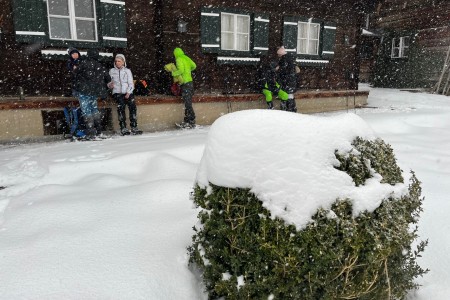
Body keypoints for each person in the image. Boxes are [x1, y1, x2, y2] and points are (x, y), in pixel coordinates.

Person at [73, 49, 111, 139]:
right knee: (94, 110)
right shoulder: (99, 65)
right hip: (94, 92)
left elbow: (75, 74)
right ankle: (99, 131)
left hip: (84, 91)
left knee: (86, 111)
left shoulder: (83, 63)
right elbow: (107, 77)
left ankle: (91, 132)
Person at [108, 54, 142, 135]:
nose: (117, 63)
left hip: (128, 92)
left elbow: (131, 83)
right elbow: (108, 83)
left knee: (132, 107)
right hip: (117, 93)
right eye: (116, 61)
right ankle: (123, 128)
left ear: (123, 62)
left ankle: (134, 127)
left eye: (119, 61)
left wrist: (128, 92)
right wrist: (110, 85)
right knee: (121, 108)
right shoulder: (111, 71)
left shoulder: (127, 71)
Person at [171, 47, 197, 128]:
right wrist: (188, 71)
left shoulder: (178, 59)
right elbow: (194, 66)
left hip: (185, 83)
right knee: (187, 102)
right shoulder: (186, 57)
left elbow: (181, 70)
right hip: (190, 82)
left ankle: (191, 120)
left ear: (175, 54)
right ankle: (187, 121)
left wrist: (174, 73)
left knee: (187, 103)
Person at [276, 46, 298, 112]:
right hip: (291, 80)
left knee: (288, 95)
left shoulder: (284, 60)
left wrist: (278, 69)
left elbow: (283, 70)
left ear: (281, 54)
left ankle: (289, 110)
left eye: (278, 54)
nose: (278, 56)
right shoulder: (290, 59)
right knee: (290, 95)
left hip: (288, 80)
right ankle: (292, 109)